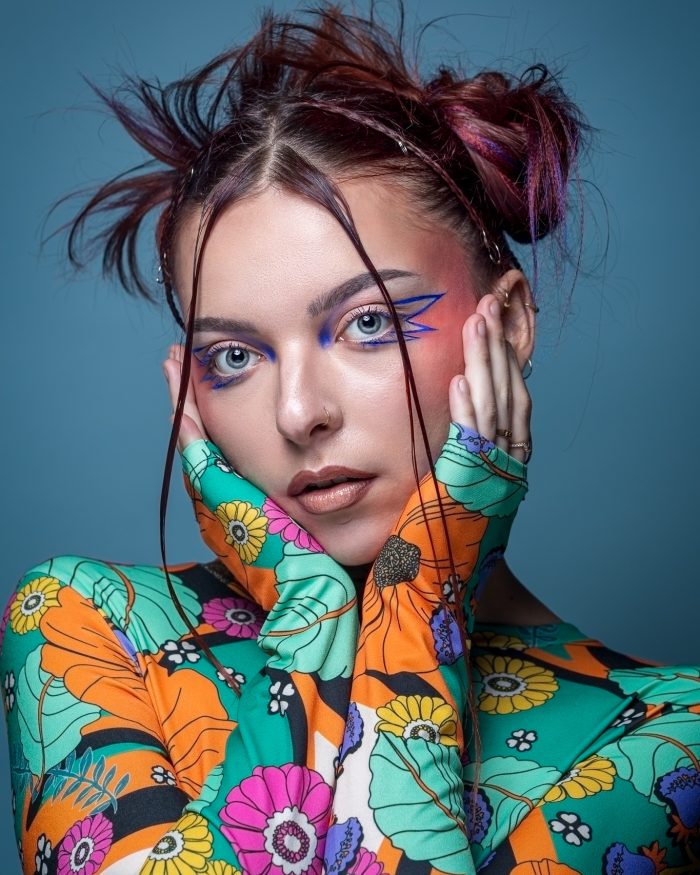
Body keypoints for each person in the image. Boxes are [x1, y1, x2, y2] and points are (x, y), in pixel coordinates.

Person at [1, 4, 698, 875]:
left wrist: (417, 603)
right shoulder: (85, 628)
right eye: (235, 355)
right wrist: (308, 602)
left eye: (368, 322)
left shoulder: (669, 736)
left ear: (510, 321)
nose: (299, 412)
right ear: (190, 388)